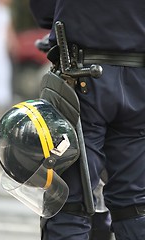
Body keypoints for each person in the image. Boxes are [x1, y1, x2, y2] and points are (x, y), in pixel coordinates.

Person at [28, 1, 145, 240]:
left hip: (81, 77)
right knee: (134, 206)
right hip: (138, 78)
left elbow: (44, 11)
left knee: (69, 202)